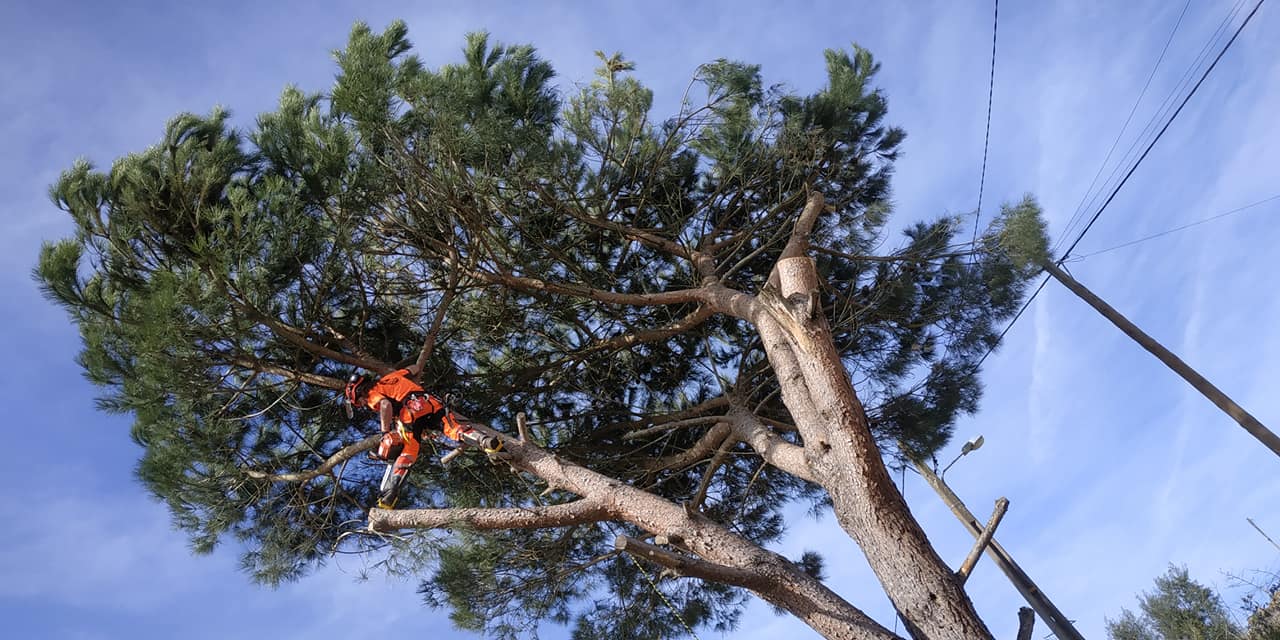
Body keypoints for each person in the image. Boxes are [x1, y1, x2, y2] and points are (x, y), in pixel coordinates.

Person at [343, 364, 500, 508]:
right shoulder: (391, 377)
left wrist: (385, 433)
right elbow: (415, 368)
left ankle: (390, 493)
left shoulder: (371, 393)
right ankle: (485, 441)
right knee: (454, 429)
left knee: (408, 451)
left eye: (360, 402)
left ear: (360, 391)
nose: (364, 404)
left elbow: (385, 405)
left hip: (409, 412)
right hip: (429, 401)